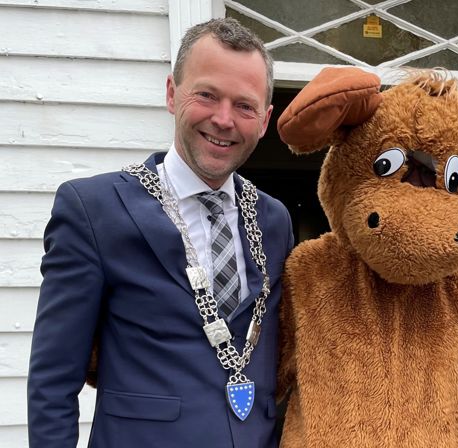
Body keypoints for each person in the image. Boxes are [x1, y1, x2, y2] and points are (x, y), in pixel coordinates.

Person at [27, 18, 293, 447]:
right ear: (172, 93)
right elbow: (53, 381)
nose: (224, 120)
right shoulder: (93, 210)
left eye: (244, 106)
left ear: (263, 121)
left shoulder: (274, 220)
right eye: (206, 95)